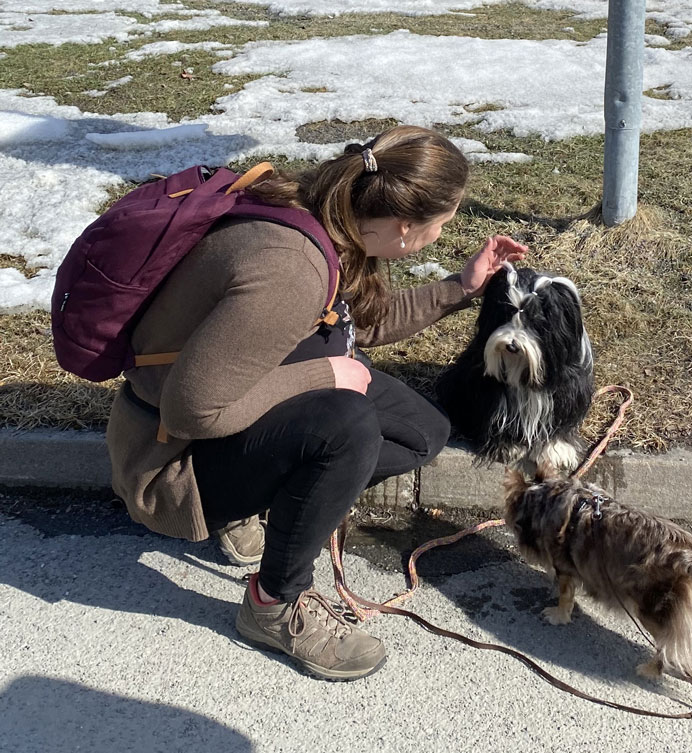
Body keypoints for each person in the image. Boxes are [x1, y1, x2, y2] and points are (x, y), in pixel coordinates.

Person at [106, 125, 527, 681]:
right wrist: (324, 373)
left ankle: (277, 494)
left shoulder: (327, 214)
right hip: (172, 462)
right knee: (346, 425)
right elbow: (192, 411)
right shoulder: (290, 268)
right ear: (404, 226)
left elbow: (358, 326)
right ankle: (273, 604)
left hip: (231, 408)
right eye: (442, 224)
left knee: (419, 432)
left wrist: (460, 287)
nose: (441, 234)